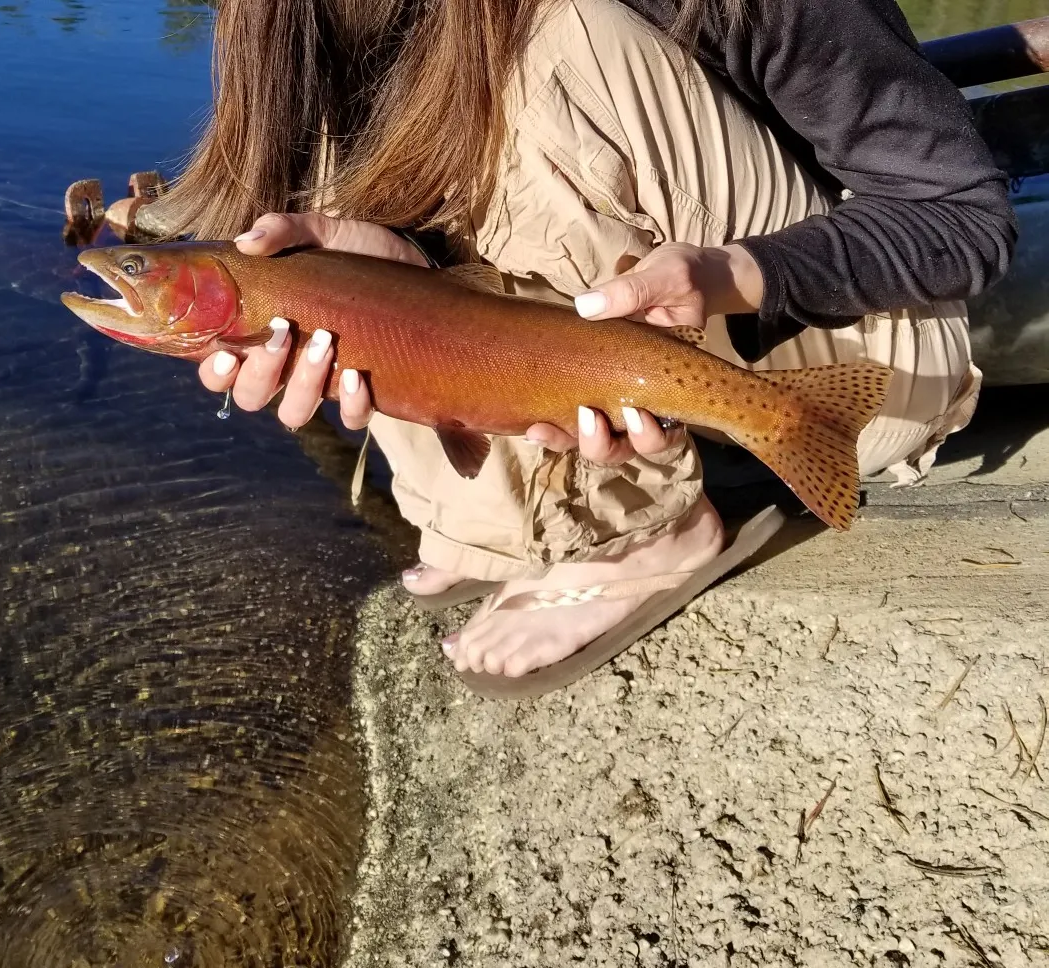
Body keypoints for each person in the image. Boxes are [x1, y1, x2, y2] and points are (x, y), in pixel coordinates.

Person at [164, 0, 1015, 696]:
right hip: (594, 371)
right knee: (315, 149)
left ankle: (638, 532)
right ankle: (494, 518)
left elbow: (965, 220)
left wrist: (732, 276)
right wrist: (405, 273)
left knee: (555, 45)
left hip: (846, 346)